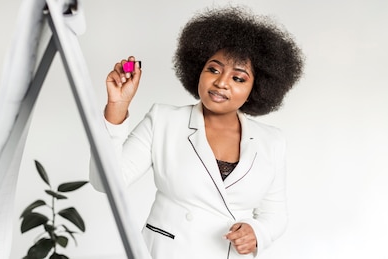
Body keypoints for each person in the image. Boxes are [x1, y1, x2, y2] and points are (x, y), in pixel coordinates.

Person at [90, 5, 304, 259]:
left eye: (238, 78)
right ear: (198, 70)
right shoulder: (164, 120)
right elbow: (105, 181)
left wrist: (257, 233)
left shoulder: (272, 141)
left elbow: (274, 215)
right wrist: (117, 107)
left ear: (257, 88)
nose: (221, 82)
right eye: (213, 69)